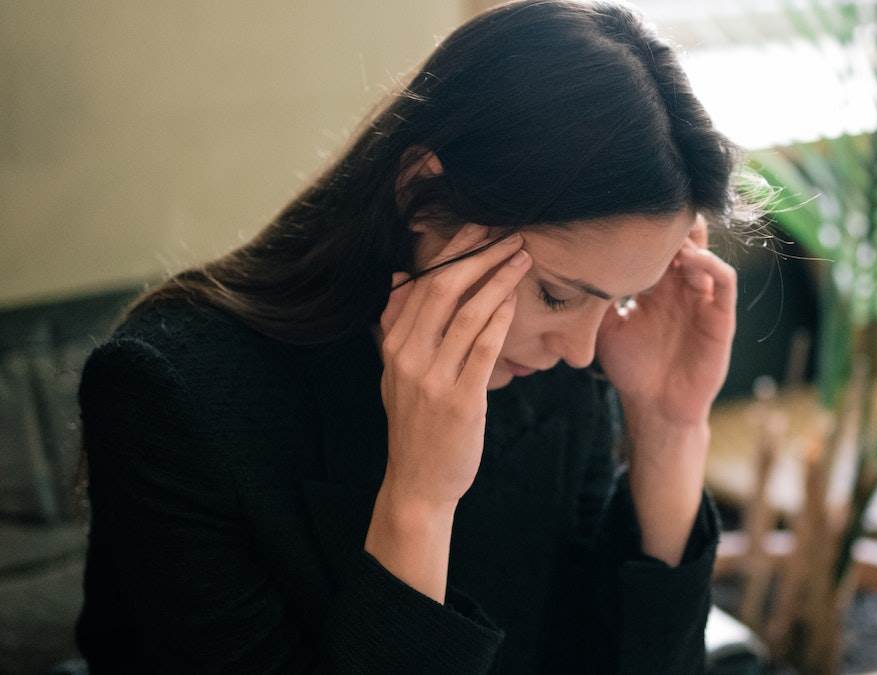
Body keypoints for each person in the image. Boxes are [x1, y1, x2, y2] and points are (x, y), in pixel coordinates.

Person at [75, 1, 760, 672]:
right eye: (556, 294)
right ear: (421, 194)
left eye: (619, 300)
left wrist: (669, 430)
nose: (582, 350)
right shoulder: (168, 395)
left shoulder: (557, 377)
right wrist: (420, 501)